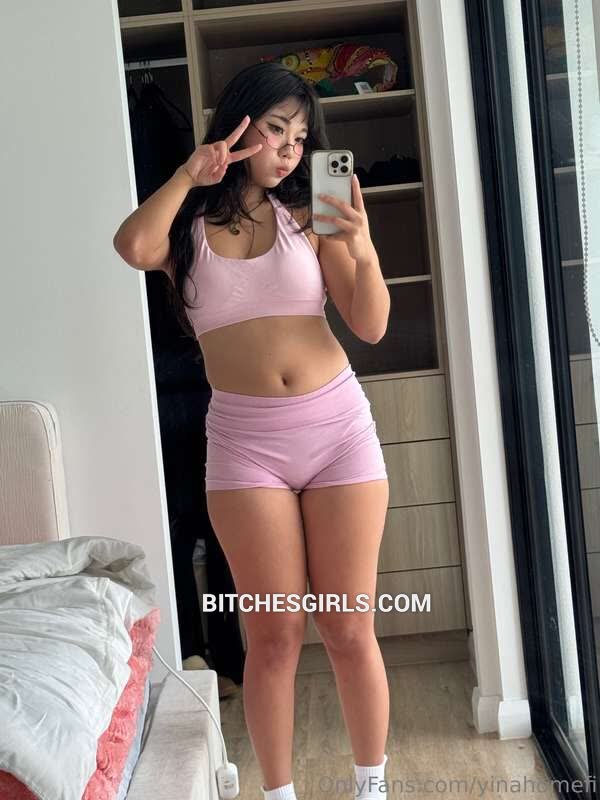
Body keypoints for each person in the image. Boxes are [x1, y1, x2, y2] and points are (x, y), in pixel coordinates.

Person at [113, 60, 391, 800]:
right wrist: (189, 173)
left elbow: (369, 324)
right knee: (274, 636)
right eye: (276, 131)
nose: (291, 151)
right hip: (245, 446)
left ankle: (373, 788)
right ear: (238, 127)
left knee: (348, 627)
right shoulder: (188, 229)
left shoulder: (312, 215)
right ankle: (278, 794)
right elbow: (132, 246)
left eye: (301, 139)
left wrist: (362, 247)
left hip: (338, 432)